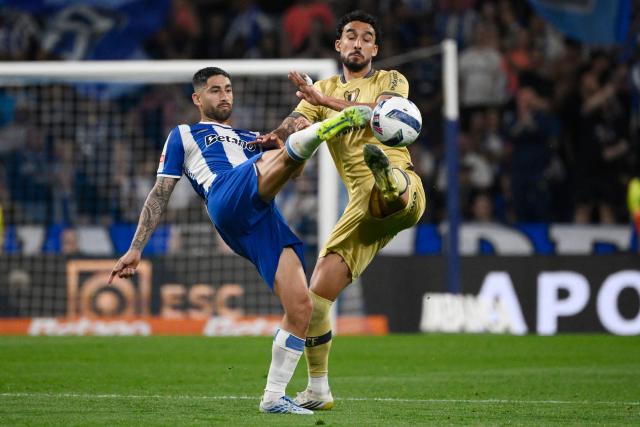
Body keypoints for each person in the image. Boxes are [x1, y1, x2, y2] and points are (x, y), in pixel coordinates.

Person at [108, 66, 372, 415]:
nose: (225, 95)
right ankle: (328, 129)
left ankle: (274, 397)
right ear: (197, 98)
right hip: (225, 196)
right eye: (216, 90)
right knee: (270, 157)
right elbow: (160, 193)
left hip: (262, 215)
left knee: (301, 307)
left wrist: (291, 146)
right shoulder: (184, 134)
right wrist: (136, 247)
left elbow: (289, 173)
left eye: (229, 89)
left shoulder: (251, 137)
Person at [255, 10, 426, 410]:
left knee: (391, 187)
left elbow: (375, 113)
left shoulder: (391, 79)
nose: (358, 43)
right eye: (351, 36)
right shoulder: (326, 87)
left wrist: (320, 99)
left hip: (404, 187)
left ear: (375, 49)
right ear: (338, 45)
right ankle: (318, 389)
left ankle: (388, 180)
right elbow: (298, 120)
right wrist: (278, 136)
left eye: (367, 38)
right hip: (361, 214)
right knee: (317, 300)